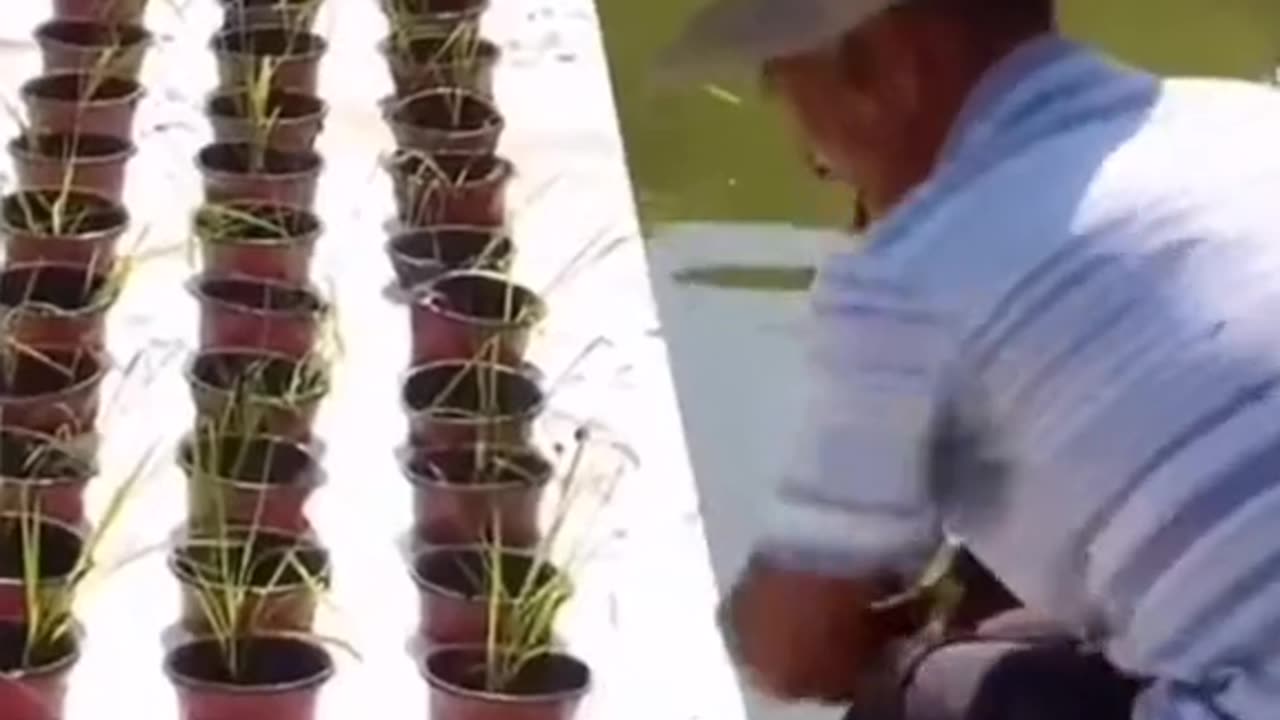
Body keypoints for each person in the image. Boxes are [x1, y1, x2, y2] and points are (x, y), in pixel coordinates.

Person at [664, 1, 1280, 719]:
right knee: (996, 608)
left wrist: (763, 615)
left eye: (787, 87)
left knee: (924, 691)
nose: (816, 161)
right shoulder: (1247, 124)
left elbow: (800, 651)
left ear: (885, 65)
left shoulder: (914, 269)